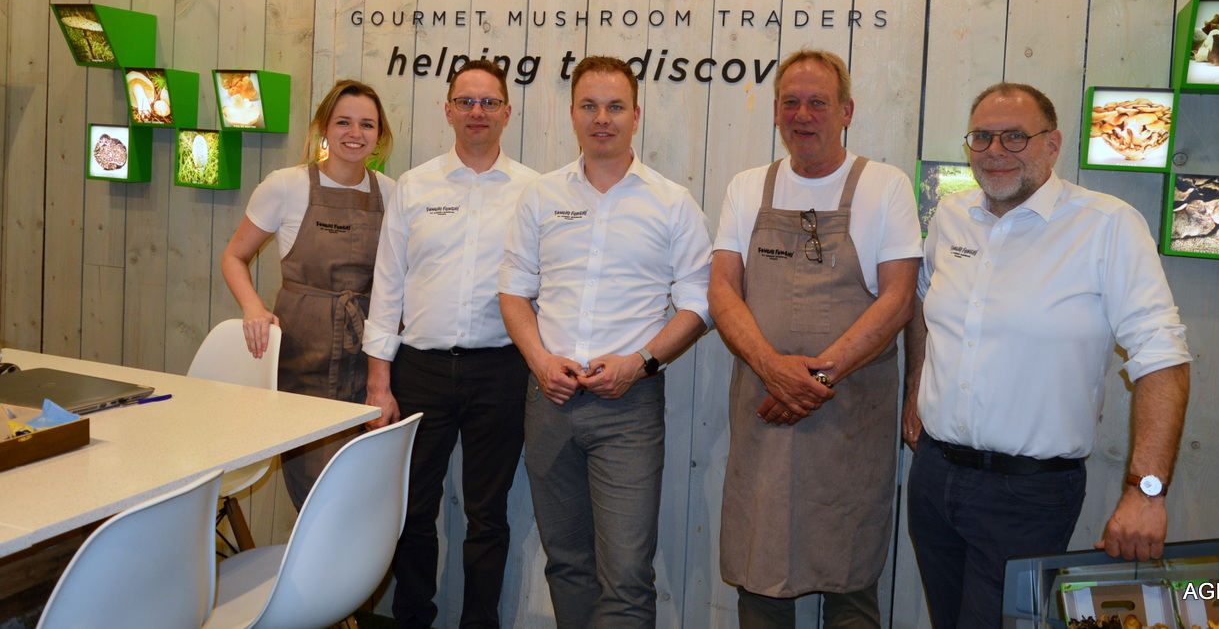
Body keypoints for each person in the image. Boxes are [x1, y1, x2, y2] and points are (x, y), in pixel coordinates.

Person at [903, 82, 1192, 629]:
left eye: (1015, 136)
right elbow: (923, 304)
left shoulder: (1107, 225)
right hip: (934, 476)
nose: (995, 151)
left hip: (1028, 493)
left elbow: (1163, 357)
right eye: (982, 137)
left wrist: (1146, 491)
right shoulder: (950, 216)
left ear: (1053, 145)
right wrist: (915, 389)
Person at [709, 48, 921, 629]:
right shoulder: (748, 188)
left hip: (849, 416)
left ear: (846, 111)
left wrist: (816, 379)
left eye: (818, 103)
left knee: (849, 579)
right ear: (776, 111)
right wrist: (772, 368)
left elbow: (899, 299)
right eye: (791, 103)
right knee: (760, 571)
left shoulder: (884, 186)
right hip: (765, 409)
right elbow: (722, 291)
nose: (803, 115)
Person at [498, 55, 712, 629]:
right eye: (589, 106)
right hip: (550, 400)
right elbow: (514, 291)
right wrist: (540, 361)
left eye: (615, 107)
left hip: (630, 408)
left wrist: (640, 364)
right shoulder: (541, 196)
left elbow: (700, 303)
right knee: (567, 563)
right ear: (572, 114)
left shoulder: (672, 202)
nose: (602, 118)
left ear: (636, 116)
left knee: (626, 577)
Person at [362, 60, 538, 629]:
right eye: (466, 101)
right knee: (413, 511)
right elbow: (387, 285)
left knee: (488, 516)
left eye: (488, 102)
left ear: (507, 112)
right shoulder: (415, 186)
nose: (477, 112)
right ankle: (413, 618)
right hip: (420, 371)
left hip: (501, 371)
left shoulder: (534, 191)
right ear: (448, 111)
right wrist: (379, 381)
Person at [222, 79, 395, 509]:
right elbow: (234, 256)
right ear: (323, 128)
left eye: (367, 125)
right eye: (343, 122)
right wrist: (253, 307)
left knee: (364, 490)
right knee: (315, 490)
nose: (355, 133)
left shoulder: (391, 193)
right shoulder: (286, 185)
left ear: (379, 135)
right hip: (304, 355)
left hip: (369, 358)